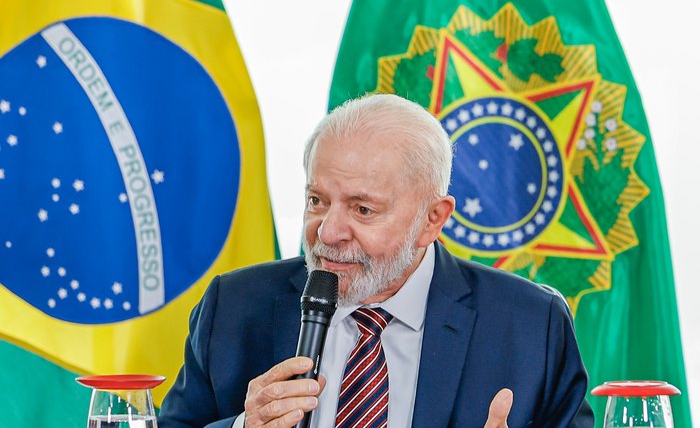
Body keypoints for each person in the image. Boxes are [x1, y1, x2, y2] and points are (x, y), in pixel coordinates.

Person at [158, 94, 594, 428]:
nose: (327, 232)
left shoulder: (532, 323)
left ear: (432, 219)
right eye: (317, 200)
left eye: (363, 209)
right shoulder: (234, 306)